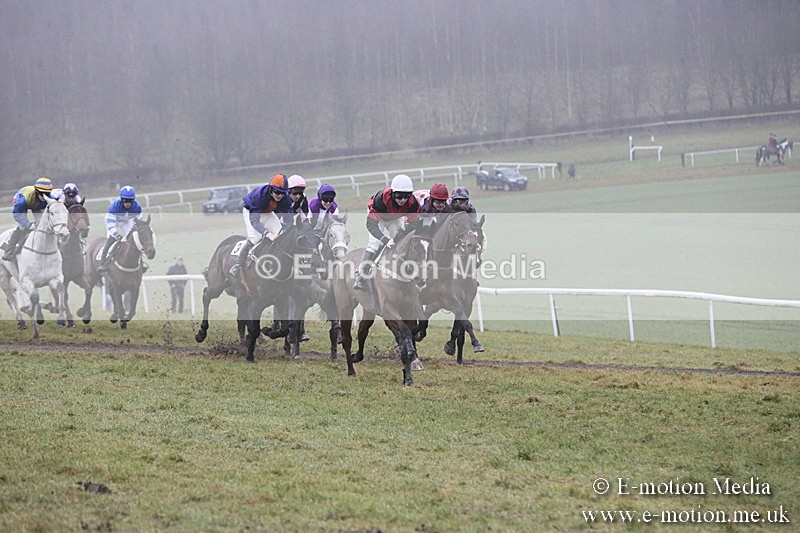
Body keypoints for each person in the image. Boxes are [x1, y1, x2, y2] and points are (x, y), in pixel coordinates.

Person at [352, 174, 421, 291]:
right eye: (399, 196)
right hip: (378, 217)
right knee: (374, 244)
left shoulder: (413, 204)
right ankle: (360, 275)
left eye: (406, 196)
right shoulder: (381, 200)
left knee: (404, 242)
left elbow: (414, 225)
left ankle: (409, 269)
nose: (403, 200)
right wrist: (384, 239)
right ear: (393, 193)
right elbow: (371, 224)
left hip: (395, 217)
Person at [229, 173, 293, 277]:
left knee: (281, 236)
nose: (279, 195)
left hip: (268, 212)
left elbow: (289, 220)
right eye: (277, 192)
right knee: (256, 238)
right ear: (271, 189)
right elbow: (255, 221)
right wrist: (268, 234)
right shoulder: (260, 195)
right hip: (251, 211)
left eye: (282, 193)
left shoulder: (285, 198)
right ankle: (238, 265)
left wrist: (283, 231)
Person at [1, 176, 54, 261]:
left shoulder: (51, 198)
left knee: (42, 224)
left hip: (37, 205)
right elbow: (17, 215)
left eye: (47, 194)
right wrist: (28, 225)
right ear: (36, 191)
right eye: (42, 193)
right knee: (23, 227)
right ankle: (9, 250)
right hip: (24, 201)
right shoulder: (22, 201)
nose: (44, 196)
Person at [98, 185, 145, 272]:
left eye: (130, 201)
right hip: (113, 222)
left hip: (126, 221)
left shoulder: (137, 207)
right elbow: (111, 225)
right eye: (125, 200)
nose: (127, 203)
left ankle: (142, 263)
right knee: (111, 239)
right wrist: (117, 235)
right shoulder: (114, 206)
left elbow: (139, 224)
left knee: (135, 239)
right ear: (121, 199)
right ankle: (103, 262)